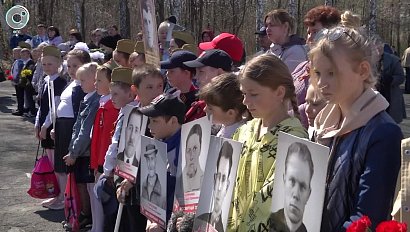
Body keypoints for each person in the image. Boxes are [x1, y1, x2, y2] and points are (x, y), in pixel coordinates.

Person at [309, 26, 402, 231]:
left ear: (362, 70)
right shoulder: (324, 123)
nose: (322, 83)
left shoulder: (383, 132)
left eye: (332, 73)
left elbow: (367, 217)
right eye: (318, 73)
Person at [227, 54, 308, 231]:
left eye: (254, 94)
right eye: (244, 94)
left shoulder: (295, 141)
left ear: (279, 92)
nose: (245, 102)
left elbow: (269, 204)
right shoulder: (243, 131)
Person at [48, 49, 90, 211]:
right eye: (69, 66)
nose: (72, 70)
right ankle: (68, 202)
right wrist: (56, 126)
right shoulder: (71, 83)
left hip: (72, 129)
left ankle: (76, 207)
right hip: (63, 127)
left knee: (72, 171)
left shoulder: (82, 86)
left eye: (76, 66)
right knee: (62, 169)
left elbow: (80, 115)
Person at [139, 93, 186, 231]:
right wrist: (151, 218)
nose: (149, 126)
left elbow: (181, 196)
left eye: (155, 121)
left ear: (173, 121)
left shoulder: (184, 150)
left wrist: (163, 223)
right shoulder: (158, 144)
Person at [63, 63, 100, 229]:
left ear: (95, 80)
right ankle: (84, 213)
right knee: (80, 183)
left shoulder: (95, 101)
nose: (80, 83)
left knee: (86, 185)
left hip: (85, 153)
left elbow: (85, 132)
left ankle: (88, 215)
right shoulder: (87, 99)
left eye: (83, 80)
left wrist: (74, 153)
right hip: (80, 151)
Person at [34, 45, 68, 209]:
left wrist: (45, 126)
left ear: (58, 65)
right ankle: (57, 194)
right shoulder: (46, 80)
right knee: (52, 164)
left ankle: (64, 196)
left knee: (58, 165)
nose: (47, 67)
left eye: (50, 64)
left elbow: (54, 108)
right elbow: (42, 106)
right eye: (44, 64)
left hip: (53, 127)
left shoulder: (60, 82)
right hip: (44, 127)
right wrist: (37, 124)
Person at [269, 142, 313, 232]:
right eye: (292, 181)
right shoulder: (263, 222)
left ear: (309, 194)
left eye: (302, 186)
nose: (296, 194)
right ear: (284, 180)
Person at [194, 141, 234, 232]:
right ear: (214, 179)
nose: (219, 187)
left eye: (223, 179)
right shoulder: (199, 220)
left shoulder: (228, 228)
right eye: (218, 177)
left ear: (227, 186)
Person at [199, 73, 249, 138]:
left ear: (230, 113)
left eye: (210, 108)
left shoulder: (239, 136)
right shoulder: (222, 127)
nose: (204, 109)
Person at [141, 144, 166, 208]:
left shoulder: (162, 188)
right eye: (148, 159)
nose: (150, 164)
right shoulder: (143, 184)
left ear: (156, 159)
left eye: (152, 158)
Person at [182, 124, 204, 192]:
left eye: (195, 148)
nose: (191, 156)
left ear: (200, 150)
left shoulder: (204, 180)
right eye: (188, 150)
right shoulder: (180, 179)